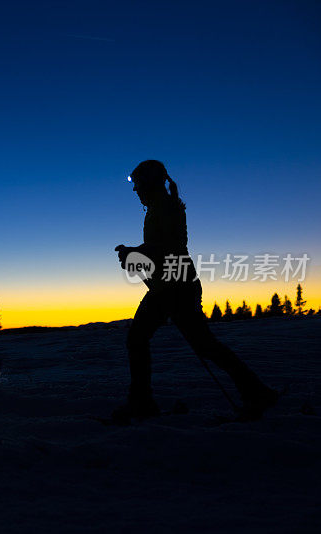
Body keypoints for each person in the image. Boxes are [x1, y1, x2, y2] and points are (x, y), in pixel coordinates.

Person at [114, 160, 277, 422]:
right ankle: (256, 392)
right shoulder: (159, 207)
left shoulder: (165, 207)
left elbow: (171, 247)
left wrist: (137, 252)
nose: (136, 191)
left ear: (150, 183)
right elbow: (163, 247)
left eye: (138, 184)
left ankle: (142, 403)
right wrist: (137, 252)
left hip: (174, 287)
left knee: (154, 341)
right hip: (170, 284)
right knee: (193, 344)